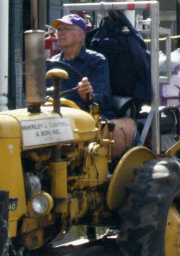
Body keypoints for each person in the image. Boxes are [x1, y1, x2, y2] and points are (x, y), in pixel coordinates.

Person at [48, 15, 136, 157]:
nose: (61, 33)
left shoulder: (96, 61)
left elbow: (102, 98)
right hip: (56, 117)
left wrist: (88, 96)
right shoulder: (51, 63)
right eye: (59, 29)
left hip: (88, 116)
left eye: (66, 29)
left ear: (80, 35)